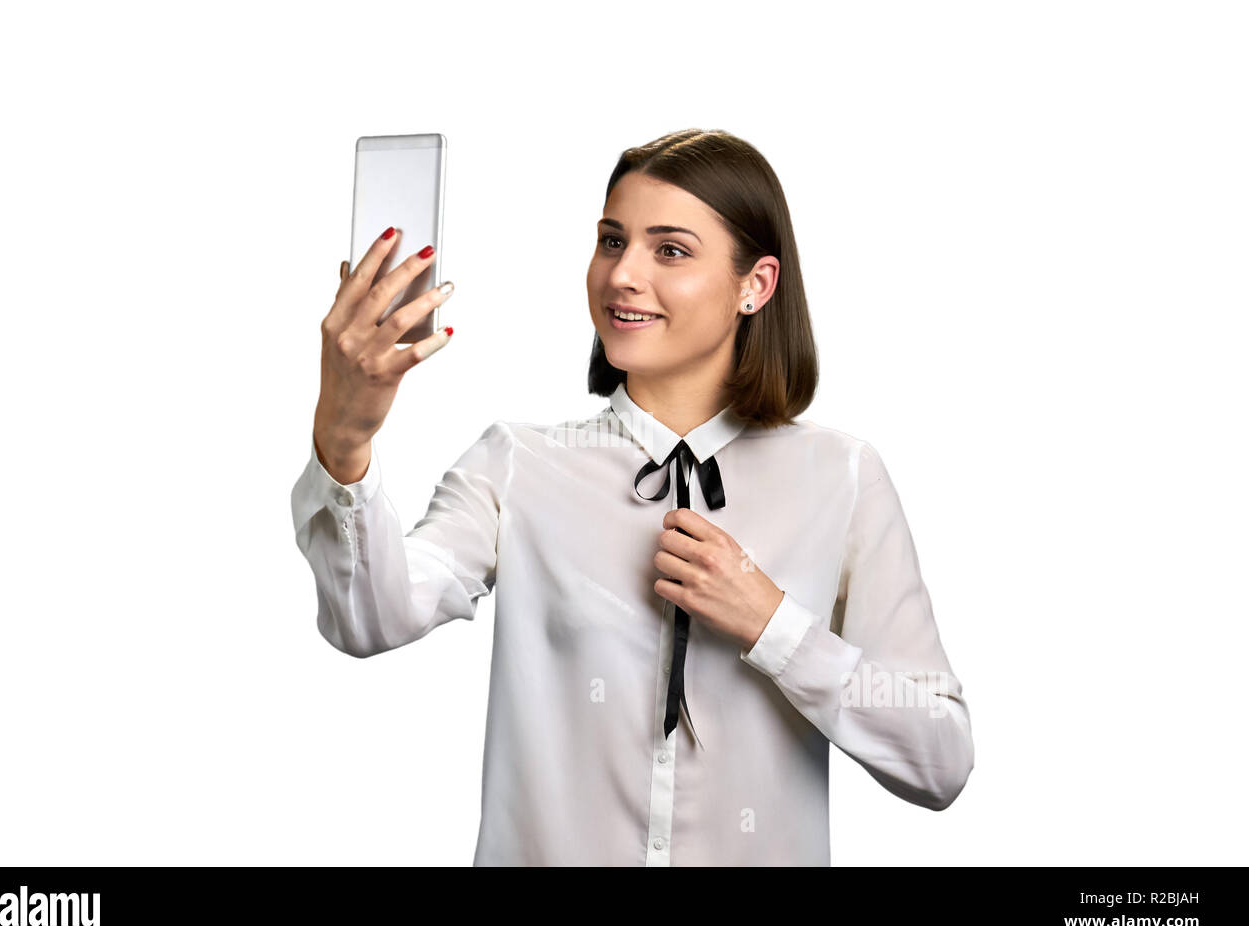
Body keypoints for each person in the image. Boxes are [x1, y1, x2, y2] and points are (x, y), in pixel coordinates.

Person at [291, 128, 974, 866]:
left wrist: (773, 626)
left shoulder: (841, 477)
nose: (622, 276)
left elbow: (940, 760)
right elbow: (367, 618)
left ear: (757, 285)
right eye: (612, 242)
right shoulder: (518, 463)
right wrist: (345, 435)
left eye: (669, 250)